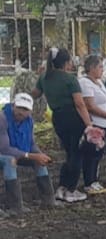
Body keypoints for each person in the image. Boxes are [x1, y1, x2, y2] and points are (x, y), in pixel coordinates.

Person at [33, 47, 97, 204]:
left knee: (69, 152)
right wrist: (89, 124)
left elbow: (35, 94)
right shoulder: (70, 79)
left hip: (58, 117)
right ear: (67, 62)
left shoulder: (44, 78)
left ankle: (62, 187)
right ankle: (70, 189)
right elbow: (80, 104)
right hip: (73, 118)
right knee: (77, 153)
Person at [0, 92, 55, 213]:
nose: (21, 112)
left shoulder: (29, 121)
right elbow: (4, 148)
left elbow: (31, 144)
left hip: (19, 153)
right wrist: (30, 155)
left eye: (25, 109)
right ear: (13, 105)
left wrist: (40, 156)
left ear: (30, 111)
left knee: (39, 162)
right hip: (4, 154)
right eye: (19, 107)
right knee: (10, 160)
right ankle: (15, 206)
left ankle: (49, 201)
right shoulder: (2, 118)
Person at [79, 54, 106, 194]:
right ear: (91, 68)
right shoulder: (85, 83)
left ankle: (95, 180)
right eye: (100, 67)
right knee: (91, 153)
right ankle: (89, 182)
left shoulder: (99, 82)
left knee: (99, 153)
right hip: (96, 122)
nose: (102, 70)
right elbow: (89, 105)